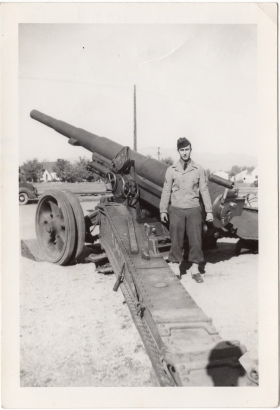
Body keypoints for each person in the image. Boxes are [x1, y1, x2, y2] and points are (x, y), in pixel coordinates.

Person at [160, 137, 213, 283]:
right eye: (182, 150)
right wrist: (163, 210)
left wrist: (208, 211)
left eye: (187, 149)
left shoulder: (199, 169)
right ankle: (176, 266)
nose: (185, 153)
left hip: (194, 209)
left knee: (196, 240)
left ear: (191, 150)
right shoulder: (171, 170)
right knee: (176, 240)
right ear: (178, 151)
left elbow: (204, 190)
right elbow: (166, 191)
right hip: (176, 209)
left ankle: (195, 269)